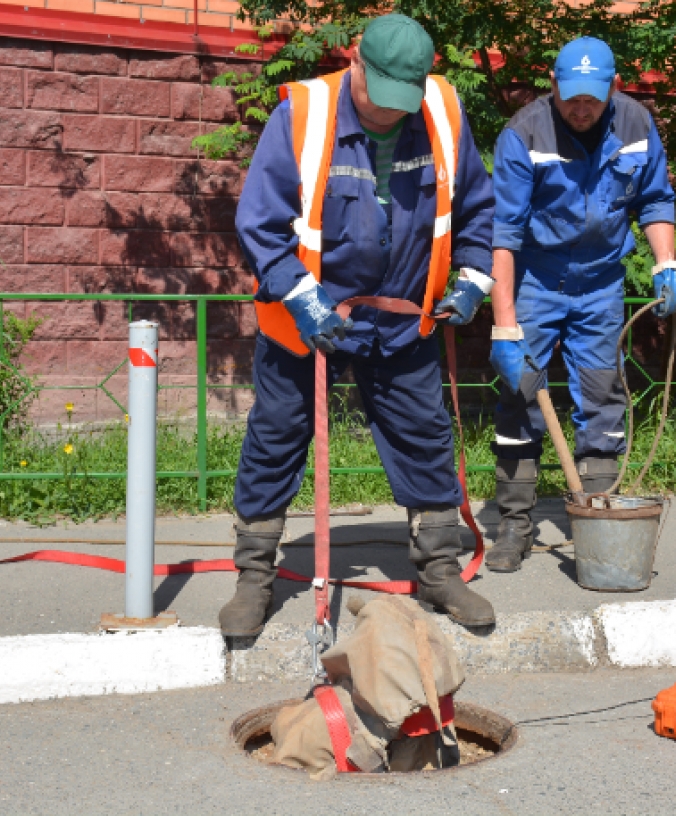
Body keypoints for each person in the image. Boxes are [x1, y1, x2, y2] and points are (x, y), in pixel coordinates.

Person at [222, 14, 497, 636]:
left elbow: (478, 208)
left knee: (426, 437)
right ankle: (254, 577)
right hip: (308, 318)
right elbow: (261, 224)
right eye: (381, 96)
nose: (392, 113)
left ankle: (438, 571)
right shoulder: (302, 113)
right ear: (355, 65)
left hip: (401, 320)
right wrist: (302, 298)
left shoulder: (442, 112)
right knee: (275, 438)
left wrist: (475, 280)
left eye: (407, 99)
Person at [484, 37, 676, 573]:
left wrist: (666, 263)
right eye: (569, 96)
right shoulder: (523, 134)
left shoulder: (637, 125)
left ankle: (597, 515)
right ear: (552, 85)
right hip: (535, 278)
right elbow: (501, 234)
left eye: (591, 99)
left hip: (601, 283)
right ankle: (514, 524)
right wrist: (505, 327)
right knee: (519, 396)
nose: (580, 108)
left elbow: (655, 198)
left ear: (613, 89)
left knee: (602, 394)